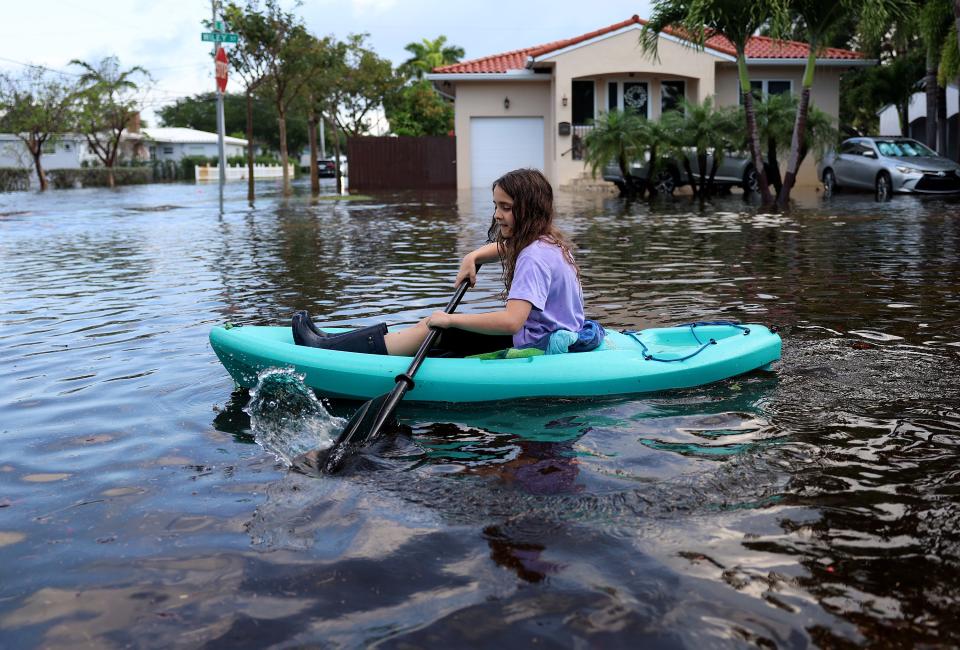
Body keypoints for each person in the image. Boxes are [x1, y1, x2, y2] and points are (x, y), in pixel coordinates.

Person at [292, 168, 603, 357]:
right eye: (496, 206)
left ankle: (328, 352)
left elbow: (511, 322)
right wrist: (475, 255)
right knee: (432, 325)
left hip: (538, 346)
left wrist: (451, 320)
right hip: (554, 332)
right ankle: (333, 342)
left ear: (530, 211)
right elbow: (507, 248)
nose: (497, 215)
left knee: (434, 327)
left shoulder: (533, 256)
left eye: (506, 208)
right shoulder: (546, 242)